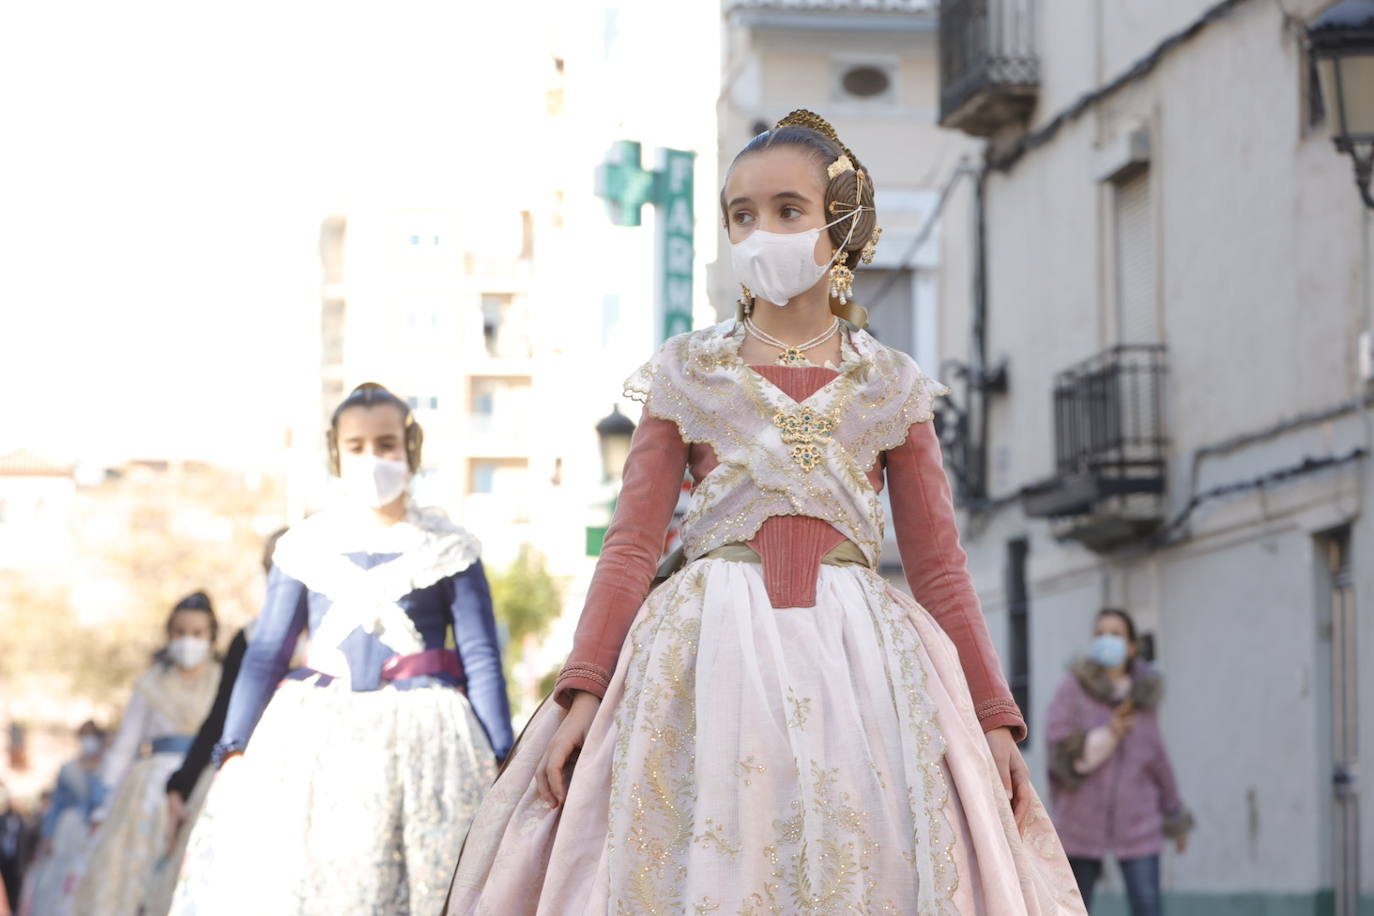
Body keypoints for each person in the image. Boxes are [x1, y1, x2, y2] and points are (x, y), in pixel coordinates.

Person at [448, 110, 1084, 914]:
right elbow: (631, 547)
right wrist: (581, 693)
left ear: (841, 222)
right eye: (741, 214)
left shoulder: (892, 384)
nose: (761, 231)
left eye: (788, 209)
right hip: (703, 661)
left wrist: (993, 720)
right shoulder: (688, 371)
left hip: (865, 672)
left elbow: (940, 568)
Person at [170, 382, 512, 916]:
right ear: (336, 452)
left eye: (386, 444)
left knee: (430, 883)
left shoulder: (452, 548)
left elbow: (481, 656)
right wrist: (235, 746)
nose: (372, 457)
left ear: (410, 448)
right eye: (356, 447)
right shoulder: (304, 547)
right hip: (314, 739)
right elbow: (264, 655)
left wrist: (501, 752)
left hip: (428, 741)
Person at [140, 529, 289, 916]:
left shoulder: (336, 632)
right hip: (257, 776)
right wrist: (182, 784)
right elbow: (222, 715)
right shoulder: (252, 635)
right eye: (273, 566)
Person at [72, 592, 220, 915]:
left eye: (197, 634)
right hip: (148, 794)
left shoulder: (222, 682)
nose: (187, 641)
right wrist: (103, 805)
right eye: (180, 632)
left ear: (211, 636)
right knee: (134, 880)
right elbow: (125, 747)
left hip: (204, 785)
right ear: (169, 634)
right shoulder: (150, 684)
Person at [1045, 609, 1193, 915]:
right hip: (1079, 819)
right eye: (1100, 633)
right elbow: (1056, 741)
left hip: (1138, 821)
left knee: (1147, 905)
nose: (1106, 640)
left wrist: (1175, 815)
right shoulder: (1074, 687)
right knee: (1072, 907)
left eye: (1115, 634)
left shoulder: (1144, 698)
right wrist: (1107, 735)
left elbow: (1157, 758)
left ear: (1132, 647)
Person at [22, 722, 106, 916]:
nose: (88, 741)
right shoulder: (68, 769)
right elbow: (56, 806)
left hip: (96, 829)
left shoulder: (107, 768)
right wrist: (48, 835)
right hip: (68, 830)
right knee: (59, 876)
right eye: (84, 735)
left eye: (91, 735)